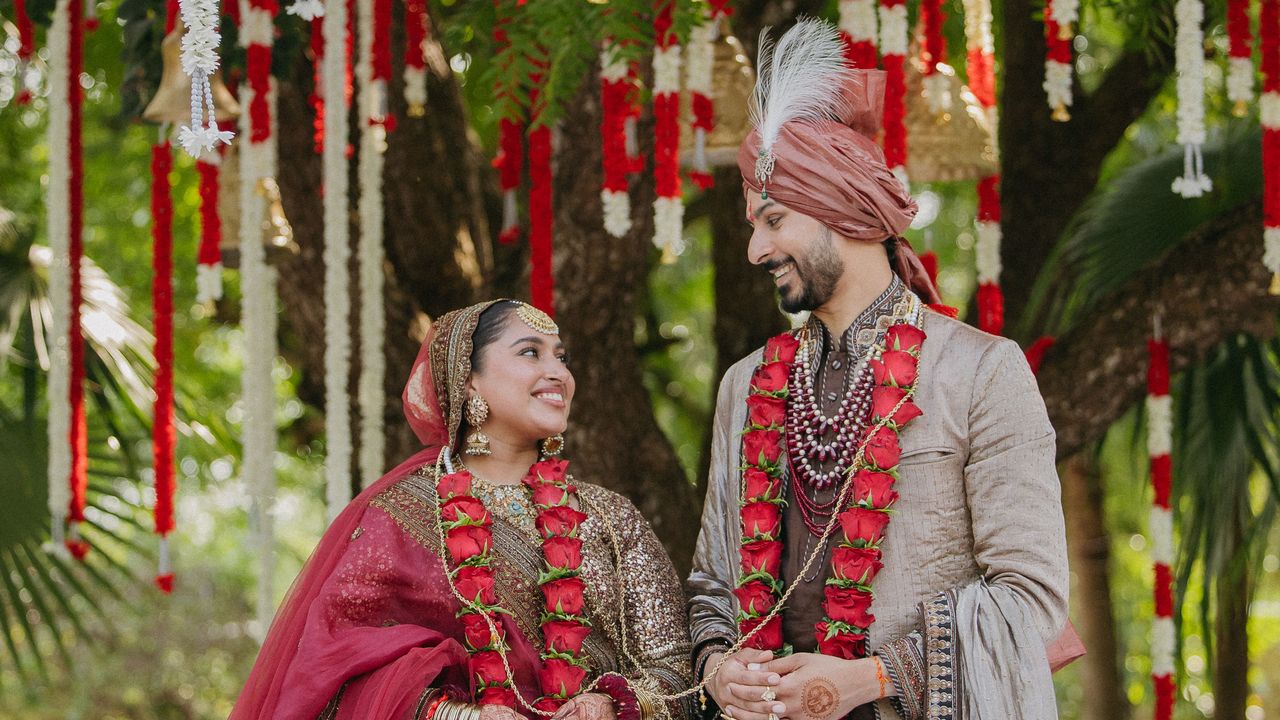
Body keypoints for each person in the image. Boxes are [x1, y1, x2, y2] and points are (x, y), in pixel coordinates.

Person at [686, 19, 1075, 720]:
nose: (754, 249)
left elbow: (1031, 600)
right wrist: (717, 668)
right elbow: (713, 581)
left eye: (772, 220)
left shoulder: (981, 372)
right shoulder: (744, 386)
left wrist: (871, 678)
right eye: (751, 224)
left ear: (844, 210)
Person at [231, 300, 692, 720]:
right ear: (468, 379)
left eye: (561, 356)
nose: (558, 372)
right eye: (531, 352)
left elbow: (677, 670)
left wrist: (610, 704)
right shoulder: (400, 513)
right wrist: (452, 715)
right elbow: (330, 668)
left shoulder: (611, 518)